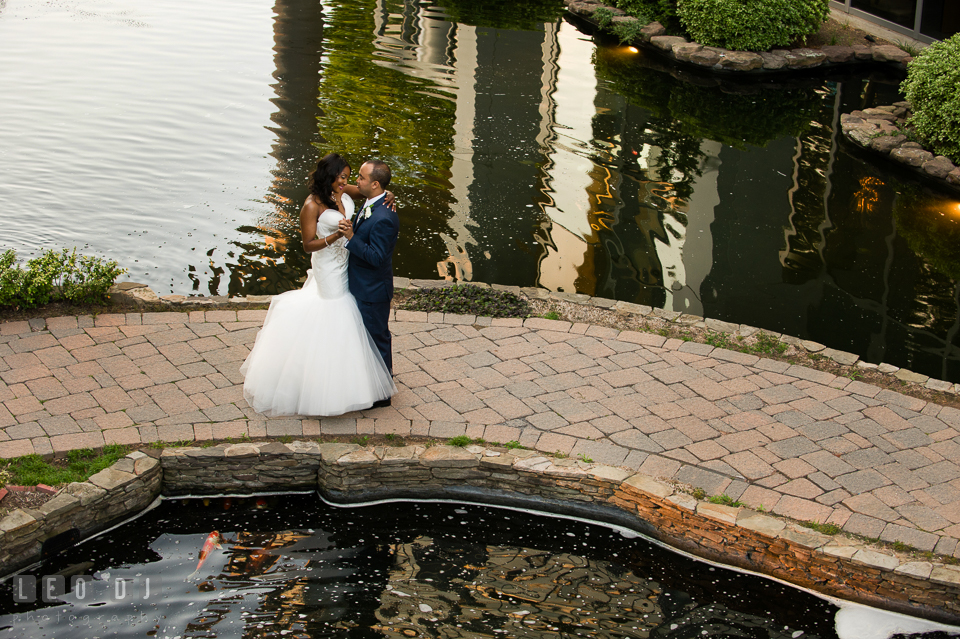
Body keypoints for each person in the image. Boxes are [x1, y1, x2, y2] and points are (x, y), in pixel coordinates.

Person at [240, 153, 396, 416]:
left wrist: (387, 193)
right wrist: (337, 235)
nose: (348, 183)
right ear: (330, 177)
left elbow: (371, 189)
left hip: (348, 263)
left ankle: (355, 376)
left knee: (352, 318)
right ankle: (325, 383)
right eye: (343, 177)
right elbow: (307, 244)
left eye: (350, 177)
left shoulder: (344, 190)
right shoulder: (312, 205)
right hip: (328, 267)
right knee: (335, 313)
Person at [338, 159, 399, 408]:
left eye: (361, 178)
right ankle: (371, 384)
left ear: (375, 184)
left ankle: (382, 395)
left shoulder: (385, 216)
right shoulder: (373, 200)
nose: (356, 182)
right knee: (368, 339)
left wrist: (351, 237)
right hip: (363, 285)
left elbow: (376, 257)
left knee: (377, 339)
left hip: (373, 290)